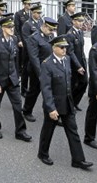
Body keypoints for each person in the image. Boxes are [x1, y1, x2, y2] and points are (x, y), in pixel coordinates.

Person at [37, 36, 92, 170]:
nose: (64, 50)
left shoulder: (67, 60)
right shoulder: (47, 64)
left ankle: (78, 160)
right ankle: (42, 153)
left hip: (67, 102)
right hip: (54, 105)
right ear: (53, 48)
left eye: (65, 47)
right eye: (61, 47)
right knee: (48, 131)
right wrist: (51, 108)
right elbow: (46, 89)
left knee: (73, 131)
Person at [0, 15, 32, 141]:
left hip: (12, 79)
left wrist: (17, 75)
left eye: (12, 27)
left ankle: (20, 131)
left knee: (18, 106)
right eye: (9, 27)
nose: (11, 29)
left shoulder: (14, 39)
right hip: (0, 80)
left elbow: (15, 59)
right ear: (3, 28)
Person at [22, 17, 57, 122]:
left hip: (50, 69)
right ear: (44, 26)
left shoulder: (50, 36)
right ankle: (27, 111)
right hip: (37, 70)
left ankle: (50, 112)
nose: (52, 32)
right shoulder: (34, 38)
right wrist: (41, 74)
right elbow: (34, 58)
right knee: (34, 91)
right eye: (50, 29)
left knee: (51, 92)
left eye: (53, 30)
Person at [64, 11, 88, 111]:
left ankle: (74, 102)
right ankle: (69, 105)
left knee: (84, 82)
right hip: (74, 64)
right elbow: (70, 52)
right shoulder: (70, 34)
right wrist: (78, 66)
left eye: (82, 21)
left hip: (81, 62)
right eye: (79, 21)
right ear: (73, 21)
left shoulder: (80, 32)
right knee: (73, 85)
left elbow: (81, 49)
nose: (81, 23)